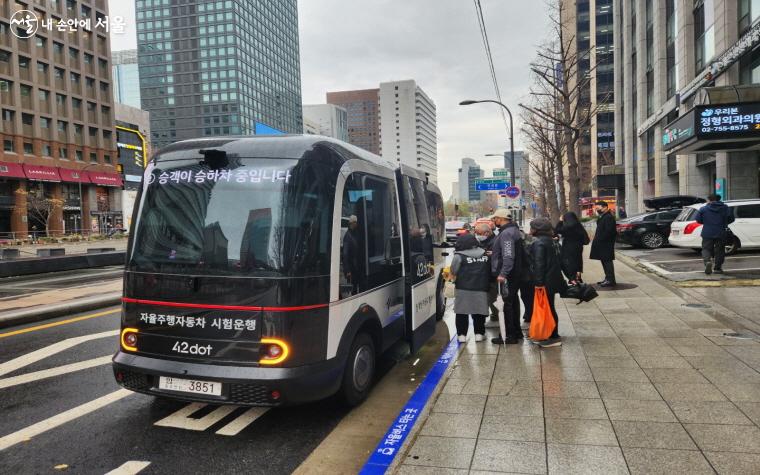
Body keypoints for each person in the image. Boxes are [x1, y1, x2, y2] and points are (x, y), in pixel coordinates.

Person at [490, 209, 528, 344]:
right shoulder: (513, 230)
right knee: (513, 302)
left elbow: (508, 255)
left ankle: (508, 335)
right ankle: (516, 332)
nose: (494, 221)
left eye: (495, 219)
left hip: (509, 275)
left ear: (500, 219)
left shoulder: (506, 233)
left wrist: (503, 273)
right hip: (515, 273)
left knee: (506, 305)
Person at [529, 218, 567, 348]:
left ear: (537, 229)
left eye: (532, 227)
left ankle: (553, 337)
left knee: (548, 309)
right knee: (550, 307)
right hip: (553, 279)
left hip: (545, 281)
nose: (530, 230)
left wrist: (538, 283)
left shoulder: (539, 243)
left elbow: (539, 264)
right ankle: (550, 334)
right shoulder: (551, 241)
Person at [449, 234, 490, 343]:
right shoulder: (484, 253)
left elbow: (453, 270)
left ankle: (462, 335)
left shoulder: (459, 256)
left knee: (462, 312)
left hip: (463, 288)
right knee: (479, 311)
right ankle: (479, 334)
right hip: (481, 287)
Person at [695, 193, 734, 275]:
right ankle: (717, 268)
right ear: (719, 199)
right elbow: (731, 219)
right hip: (721, 232)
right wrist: (724, 223)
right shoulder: (725, 208)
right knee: (720, 250)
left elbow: (698, 220)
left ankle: (707, 262)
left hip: (707, 232)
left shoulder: (703, 209)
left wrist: (706, 222)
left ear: (709, 200)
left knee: (706, 249)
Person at [555, 211, 589, 284]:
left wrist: (560, 221)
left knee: (569, 262)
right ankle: (578, 275)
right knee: (578, 260)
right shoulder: (578, 225)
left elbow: (557, 230)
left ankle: (573, 278)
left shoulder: (568, 227)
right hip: (579, 246)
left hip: (569, 247)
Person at [474, 223, 498, 323]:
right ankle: (494, 314)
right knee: (489, 297)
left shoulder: (495, 242)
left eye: (479, 233)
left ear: (487, 233)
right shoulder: (484, 241)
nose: (477, 235)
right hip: (485, 274)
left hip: (492, 275)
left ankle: (495, 315)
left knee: (492, 297)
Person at [590, 201, 616, 287]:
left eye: (598, 208)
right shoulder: (603, 216)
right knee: (604, 261)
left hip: (606, 244)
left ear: (605, 207)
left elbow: (609, 231)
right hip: (603, 244)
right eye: (596, 208)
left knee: (607, 261)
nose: (597, 210)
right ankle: (608, 278)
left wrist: (600, 239)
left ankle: (610, 280)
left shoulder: (608, 217)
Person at [342, 215, 363, 294]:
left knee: (357, 287)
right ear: (352, 223)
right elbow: (345, 254)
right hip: (351, 268)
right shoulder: (348, 236)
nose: (357, 224)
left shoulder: (355, 234)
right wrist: (347, 270)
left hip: (356, 267)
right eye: (356, 222)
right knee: (353, 290)